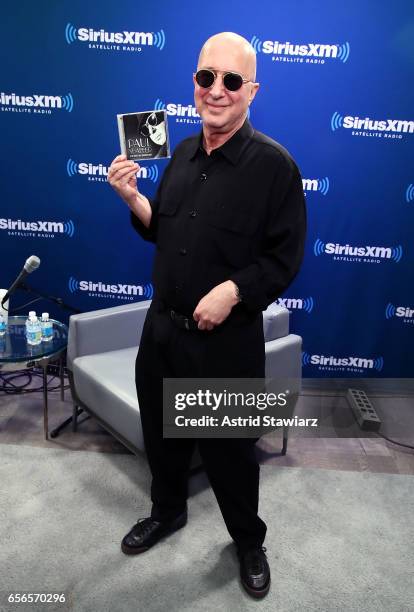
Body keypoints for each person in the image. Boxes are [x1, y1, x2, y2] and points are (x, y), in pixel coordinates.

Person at [108, 31, 306, 599]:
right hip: (162, 331)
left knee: (230, 453)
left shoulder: (275, 168)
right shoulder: (180, 153)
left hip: (225, 344)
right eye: (206, 77)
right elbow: (166, 232)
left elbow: (283, 260)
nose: (216, 90)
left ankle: (247, 541)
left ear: (251, 92)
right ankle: (167, 511)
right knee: (162, 438)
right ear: (193, 83)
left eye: (231, 81)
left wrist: (234, 291)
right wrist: (134, 202)